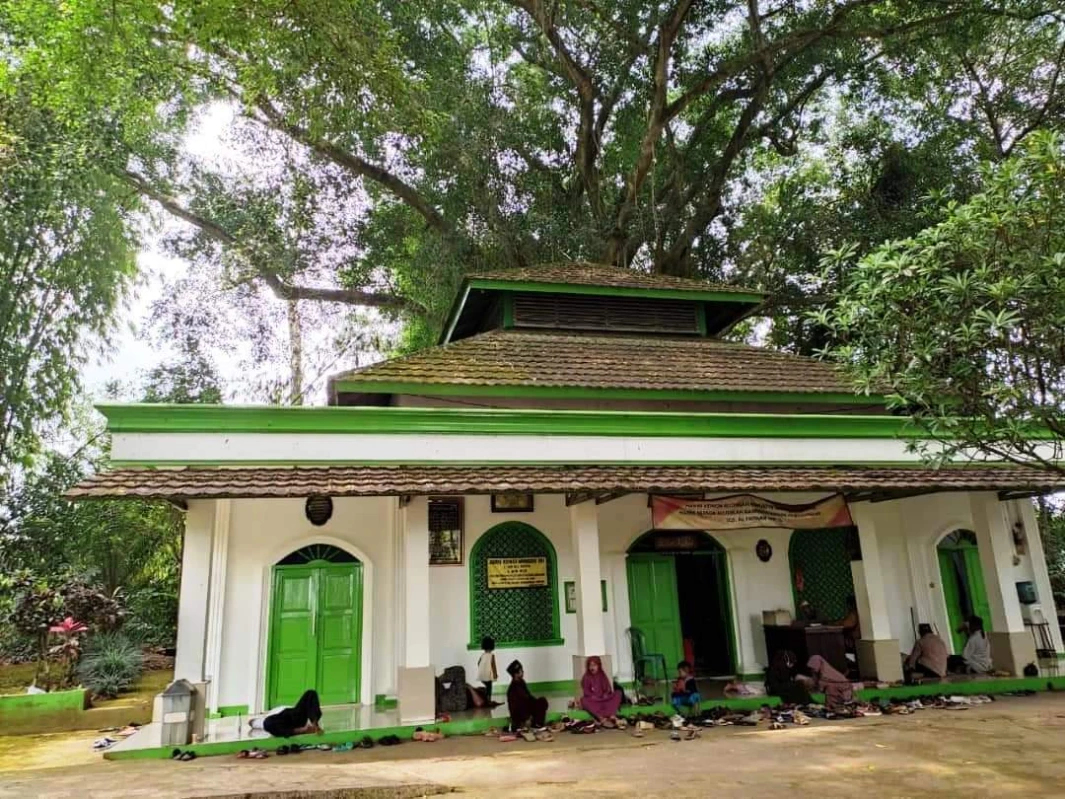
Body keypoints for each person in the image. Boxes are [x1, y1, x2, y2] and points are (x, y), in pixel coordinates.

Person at [251, 690, 323, 738]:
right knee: (270, 723)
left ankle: (314, 724)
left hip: (294, 717)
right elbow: (282, 730)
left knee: (311, 693)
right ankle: (311, 726)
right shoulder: (267, 722)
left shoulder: (271, 715)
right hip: (290, 721)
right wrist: (303, 730)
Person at [506, 660, 549, 730]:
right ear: (516, 674)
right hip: (519, 713)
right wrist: (526, 718)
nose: (523, 672)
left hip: (526, 708)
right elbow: (515, 707)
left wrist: (538, 704)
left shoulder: (522, 682)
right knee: (527, 705)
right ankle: (533, 723)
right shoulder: (513, 689)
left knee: (542, 701)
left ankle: (537, 724)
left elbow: (529, 697)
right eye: (521, 671)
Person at [580, 656, 622, 727]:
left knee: (618, 693)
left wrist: (606, 694)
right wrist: (593, 696)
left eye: (594, 665)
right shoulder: (587, 676)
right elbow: (586, 692)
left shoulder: (602, 674)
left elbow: (608, 688)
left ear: (599, 665)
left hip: (604, 700)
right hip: (595, 701)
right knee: (583, 700)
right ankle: (601, 718)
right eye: (590, 665)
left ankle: (611, 715)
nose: (592, 667)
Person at [477, 636, 498, 701]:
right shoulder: (492, 655)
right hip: (488, 675)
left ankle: (486, 697)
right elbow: (493, 666)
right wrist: (495, 674)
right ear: (492, 646)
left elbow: (478, 663)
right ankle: (488, 699)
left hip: (482, 674)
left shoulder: (482, 655)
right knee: (489, 686)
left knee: (487, 686)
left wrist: (483, 668)